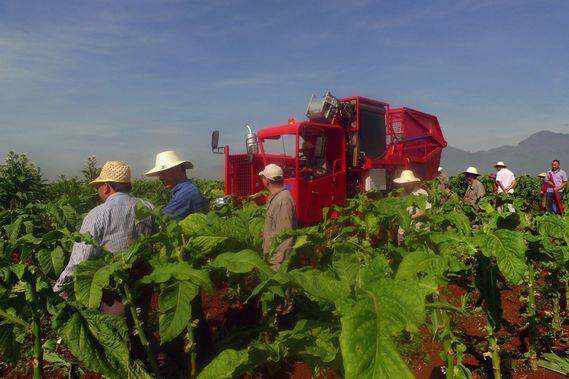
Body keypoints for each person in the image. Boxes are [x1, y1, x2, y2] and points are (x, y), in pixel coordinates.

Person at [53, 161, 155, 315]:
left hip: (113, 291)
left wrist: (59, 288)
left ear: (106, 187)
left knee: (117, 333)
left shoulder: (98, 214)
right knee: (141, 328)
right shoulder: (147, 206)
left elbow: (80, 260)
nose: (98, 191)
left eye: (98, 186)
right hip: (144, 284)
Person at [145, 150, 207, 220]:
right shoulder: (187, 189)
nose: (160, 178)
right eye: (159, 174)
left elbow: (162, 221)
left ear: (177, 170)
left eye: (163, 173)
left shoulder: (185, 194)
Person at [260, 163, 297, 270]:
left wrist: (277, 265)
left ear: (267, 181)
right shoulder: (278, 198)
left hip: (277, 262)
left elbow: (285, 237)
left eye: (263, 177)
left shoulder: (283, 200)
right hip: (272, 256)